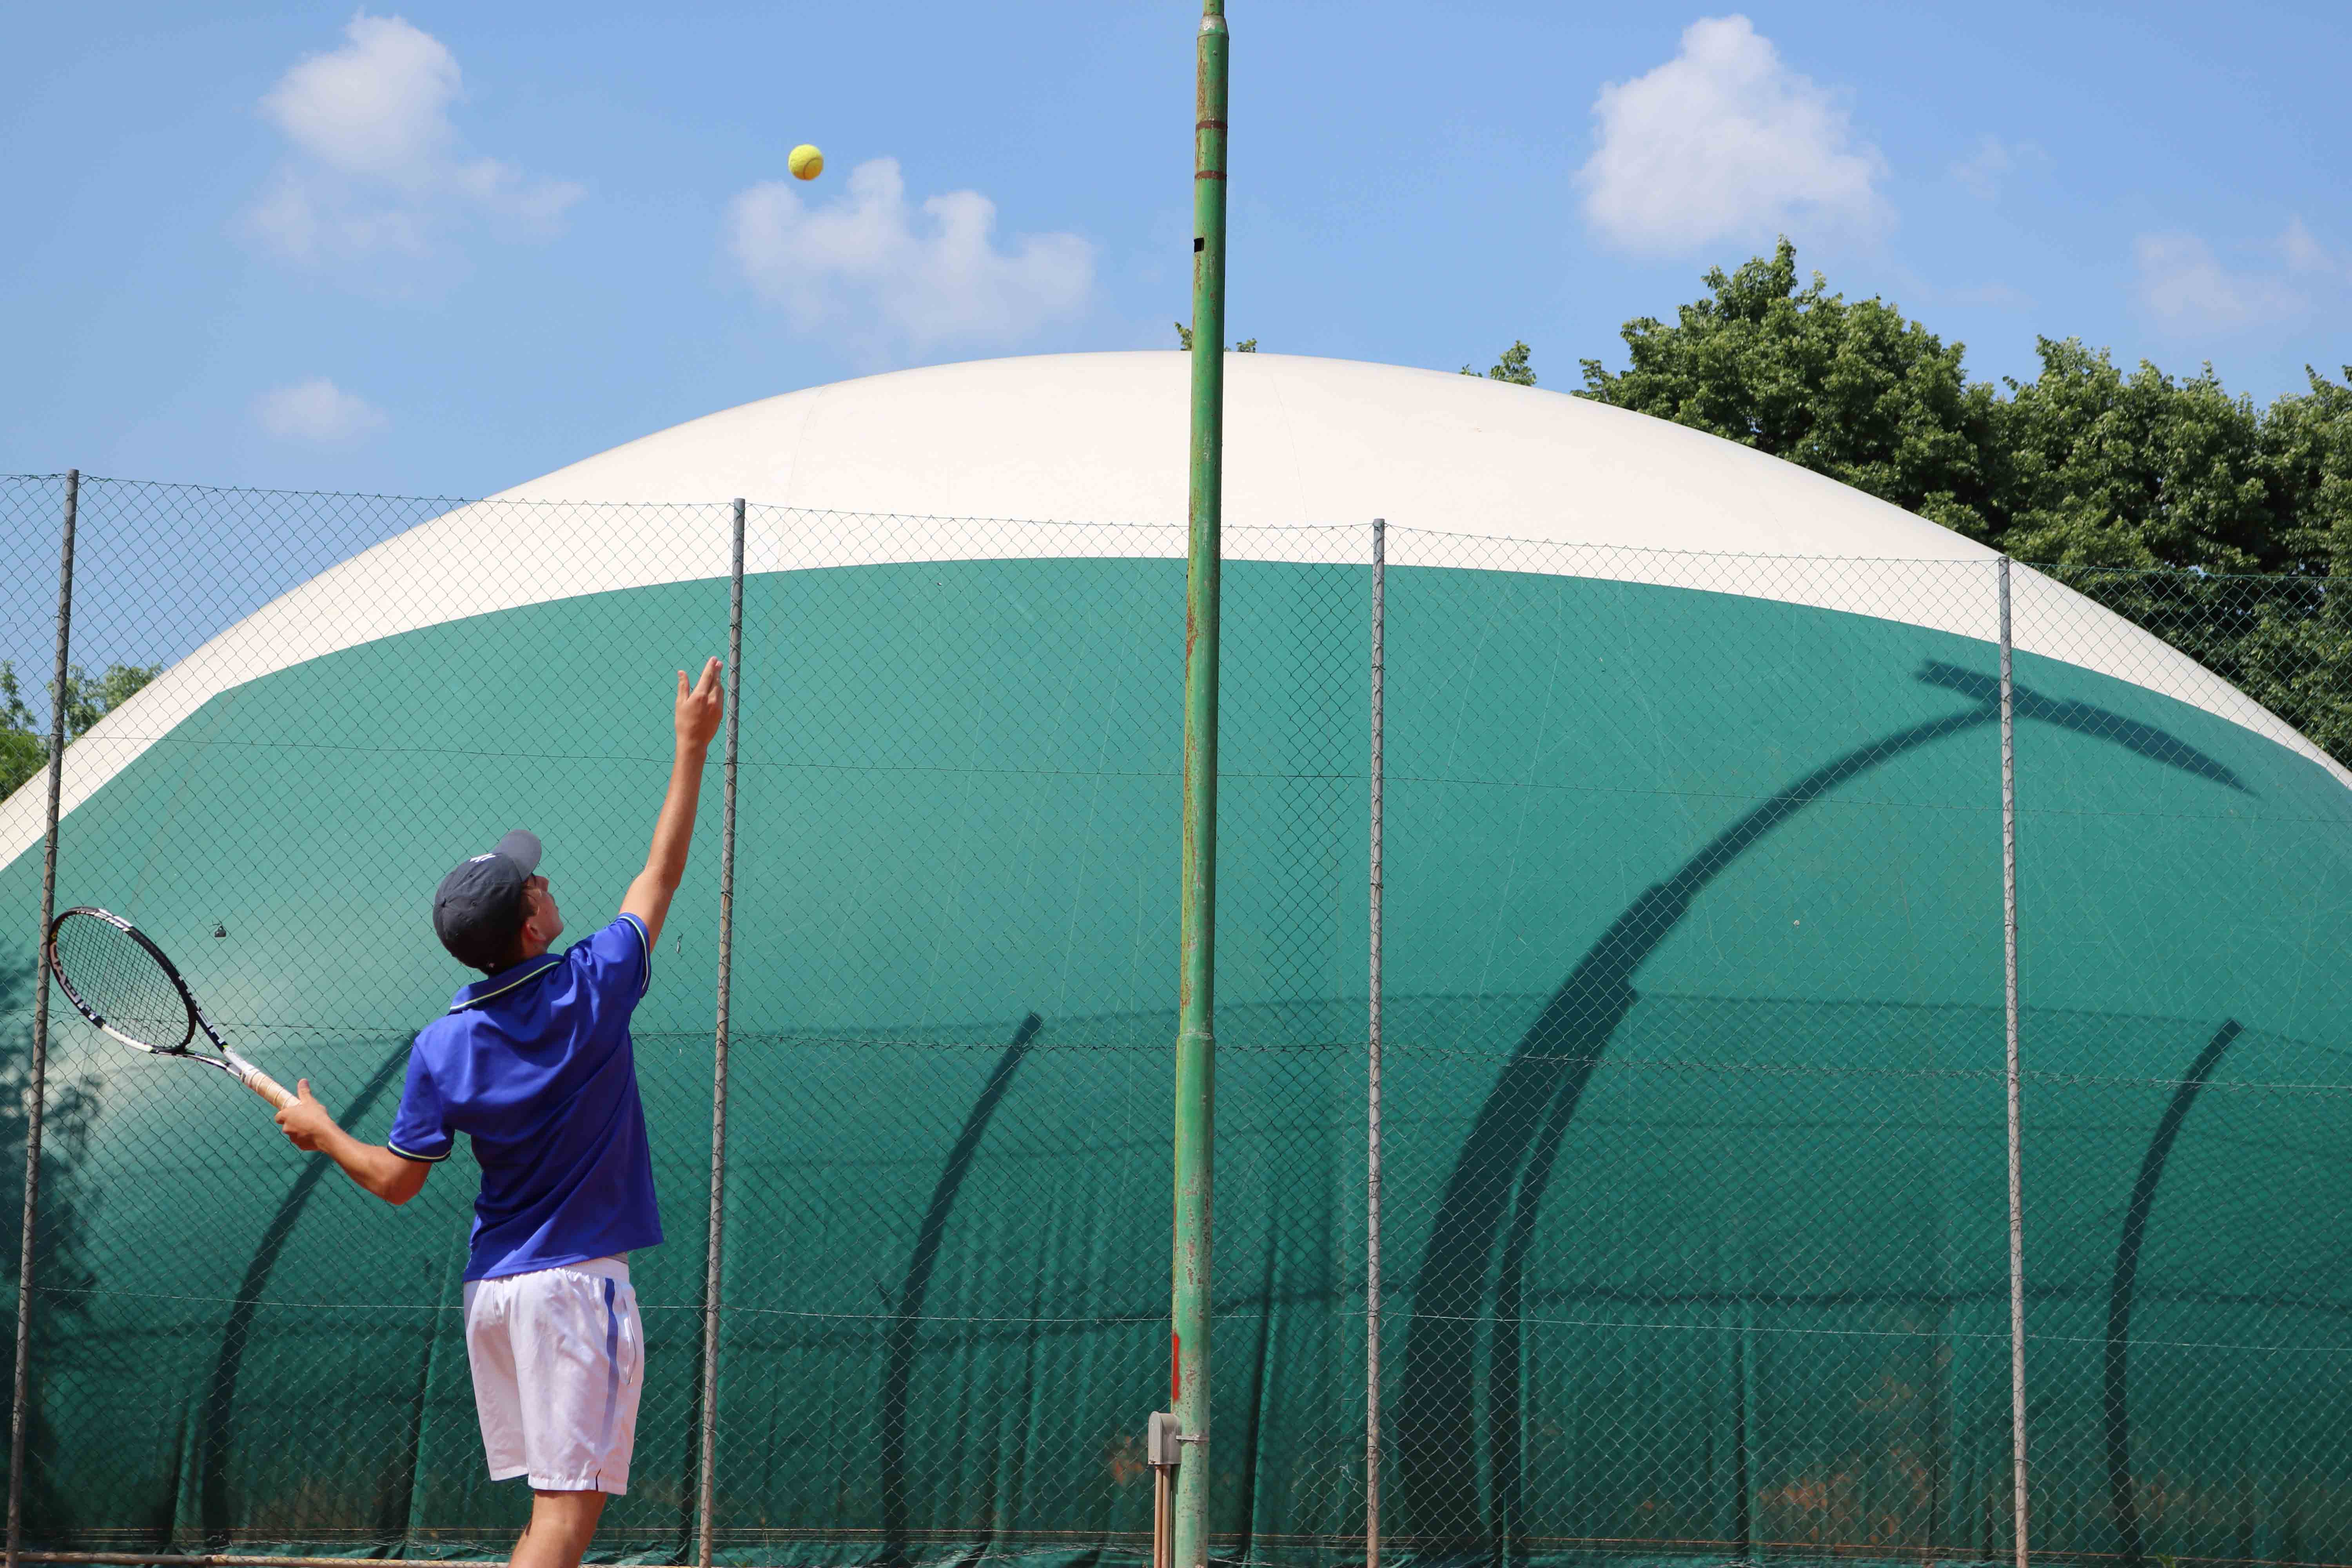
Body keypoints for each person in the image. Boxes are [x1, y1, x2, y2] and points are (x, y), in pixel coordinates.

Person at [274, 658, 726, 1568]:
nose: (547, 882)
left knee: (547, 1514)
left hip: (495, 1294)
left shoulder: (443, 1043)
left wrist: (324, 1133)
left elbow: (398, 1182)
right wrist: (691, 747)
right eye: (537, 884)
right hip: (573, 1290)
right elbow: (664, 872)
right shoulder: (593, 984)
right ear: (530, 926)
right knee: (566, 1518)